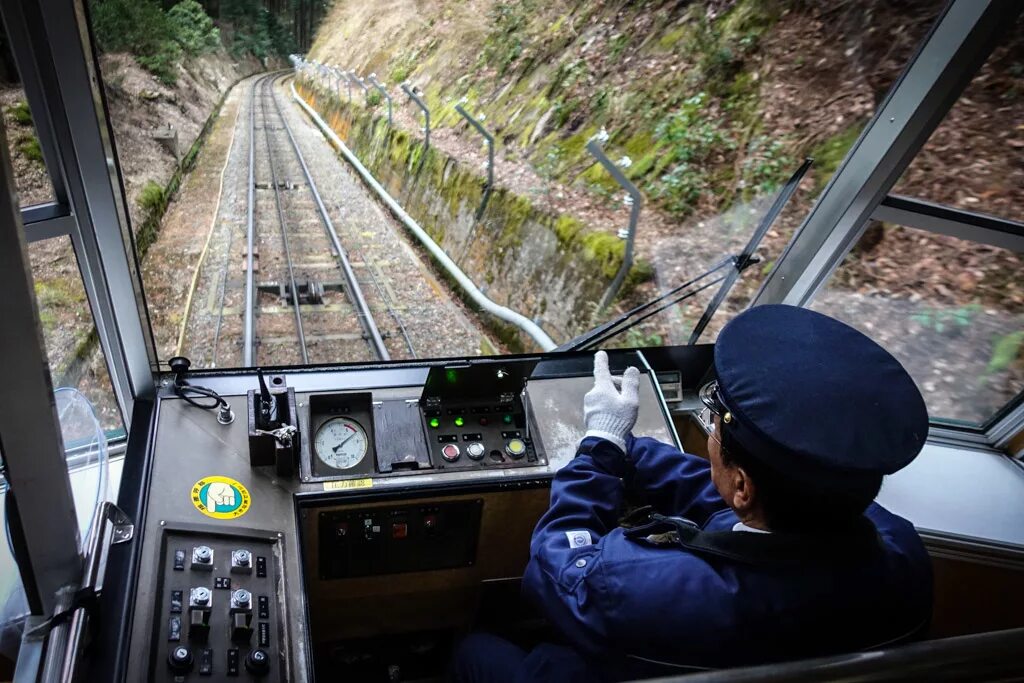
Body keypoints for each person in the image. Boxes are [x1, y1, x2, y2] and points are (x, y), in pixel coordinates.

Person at [451, 304, 933, 682]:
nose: (708, 437)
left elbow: (556, 566)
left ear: (743, 485)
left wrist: (596, 452)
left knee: (474, 652)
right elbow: (724, 503)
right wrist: (624, 447)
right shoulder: (905, 556)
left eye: (713, 430)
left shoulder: (637, 587)